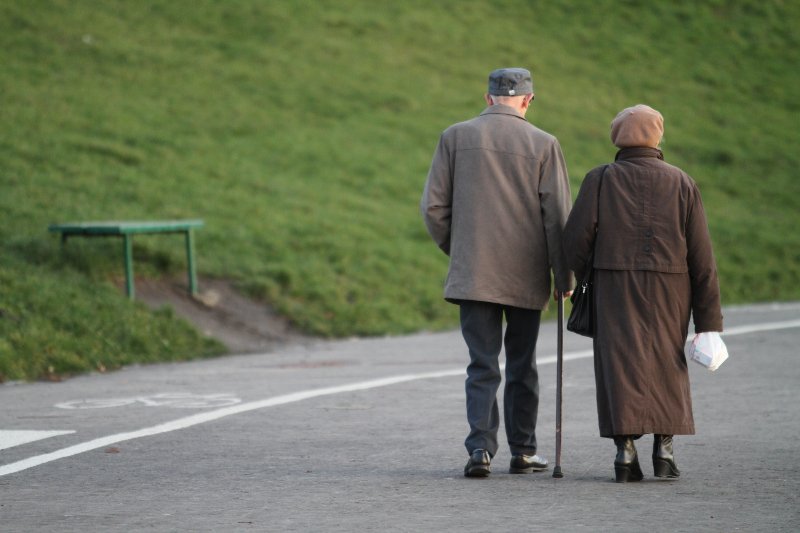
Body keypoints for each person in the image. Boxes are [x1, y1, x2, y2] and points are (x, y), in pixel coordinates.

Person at [420, 68, 574, 478]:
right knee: (523, 364)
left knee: (481, 364)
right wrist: (565, 277)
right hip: (527, 277)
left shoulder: (454, 137)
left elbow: (433, 209)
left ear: (488, 98)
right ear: (528, 100)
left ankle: (480, 450)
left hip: (474, 275)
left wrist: (462, 251)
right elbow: (558, 218)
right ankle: (523, 450)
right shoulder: (545, 144)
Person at [562, 104, 723, 482]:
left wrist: (586, 273)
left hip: (613, 285)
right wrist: (709, 321)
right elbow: (702, 257)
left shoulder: (600, 179)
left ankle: (625, 452)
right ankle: (664, 449)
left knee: (618, 362)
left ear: (616, 138)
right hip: (672, 287)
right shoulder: (682, 182)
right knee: (668, 360)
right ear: (658, 136)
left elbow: (574, 242)